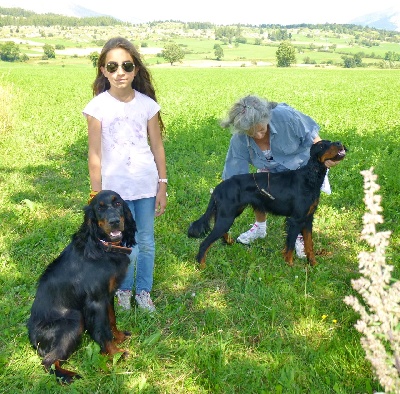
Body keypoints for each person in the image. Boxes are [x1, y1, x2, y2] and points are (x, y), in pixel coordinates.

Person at [83, 37, 167, 312]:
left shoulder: (147, 105)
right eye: (113, 66)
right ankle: (122, 290)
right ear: (104, 70)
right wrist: (97, 194)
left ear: (135, 70)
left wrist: (162, 185)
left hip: (144, 184)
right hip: (114, 191)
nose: (120, 71)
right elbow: (95, 153)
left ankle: (143, 291)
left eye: (126, 65)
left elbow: (157, 146)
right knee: (116, 241)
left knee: (144, 240)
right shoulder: (97, 107)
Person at [220, 95, 338, 256]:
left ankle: (299, 234)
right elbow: (235, 176)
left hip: (300, 167)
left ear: (267, 117)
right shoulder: (239, 140)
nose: (259, 136)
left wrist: (327, 159)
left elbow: (314, 137)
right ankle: (260, 228)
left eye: (261, 129)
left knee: (301, 202)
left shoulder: (286, 117)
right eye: (251, 133)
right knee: (256, 187)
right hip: (269, 170)